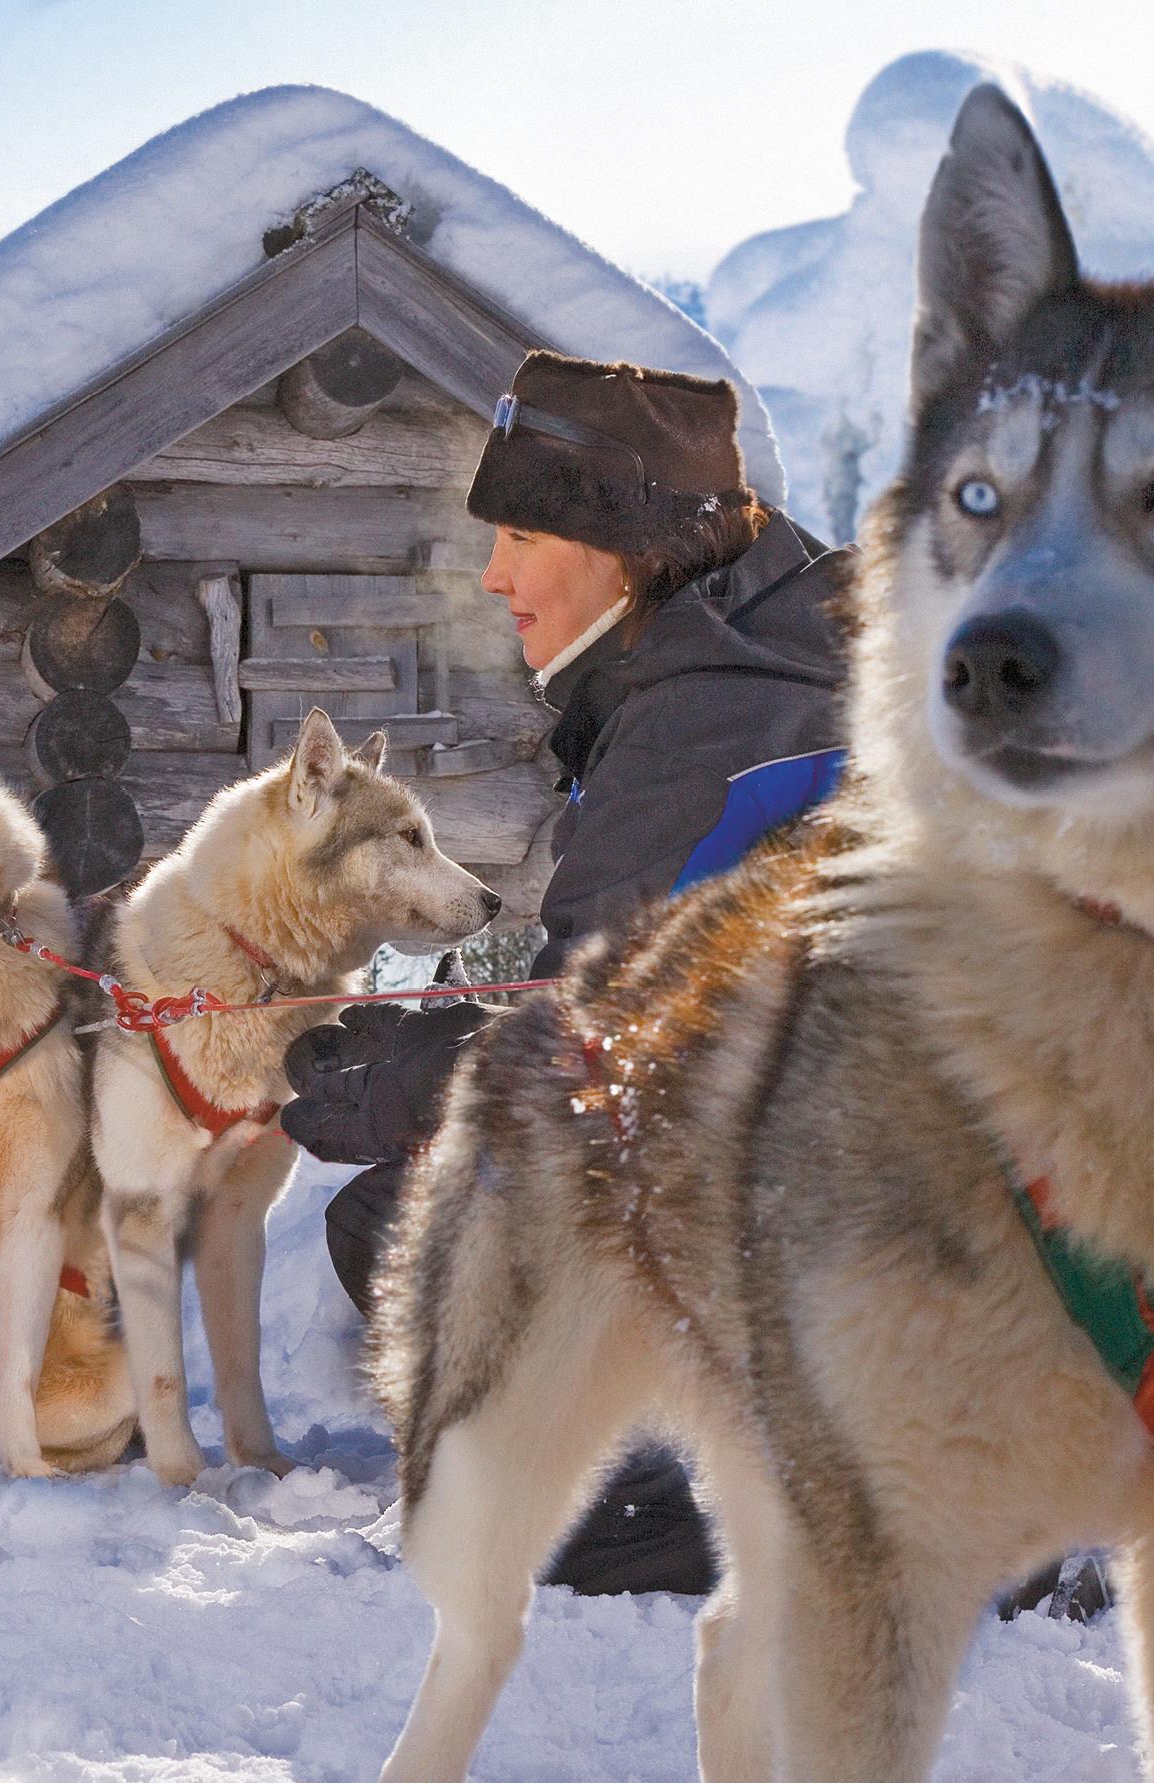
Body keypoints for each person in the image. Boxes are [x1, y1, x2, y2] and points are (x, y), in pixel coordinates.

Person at [282, 352, 849, 1596]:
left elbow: (608, 1047)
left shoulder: (711, 721)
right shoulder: (758, 657)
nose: (493, 573)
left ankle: (669, 1517)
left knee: (412, 1221)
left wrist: (411, 1085)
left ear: (628, 547)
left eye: (525, 532)